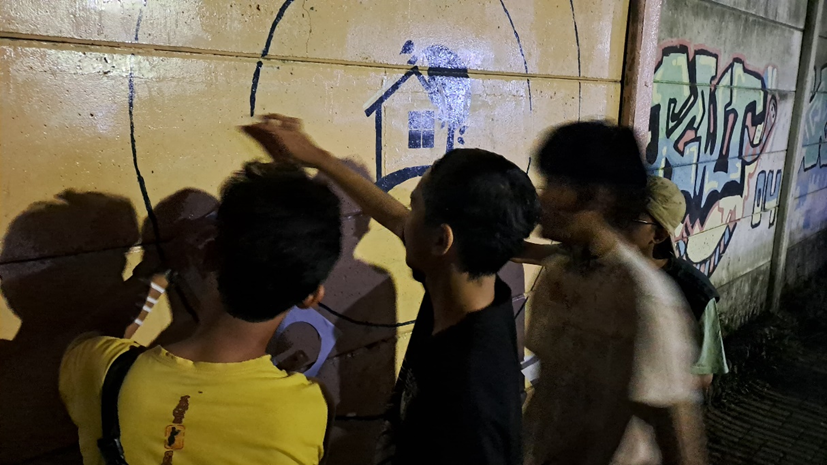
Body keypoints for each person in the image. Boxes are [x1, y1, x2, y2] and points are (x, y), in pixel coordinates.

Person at [242, 114, 539, 465]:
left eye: (414, 207)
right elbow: (400, 221)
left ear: (441, 241)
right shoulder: (474, 289)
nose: (403, 219)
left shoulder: (470, 396)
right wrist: (319, 158)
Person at [59, 162, 341, 465]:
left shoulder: (103, 370)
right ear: (311, 297)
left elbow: (98, 329)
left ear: (207, 255)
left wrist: (153, 274)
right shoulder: (309, 408)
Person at [520, 121, 705, 465]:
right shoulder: (559, 272)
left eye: (556, 184)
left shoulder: (644, 298)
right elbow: (550, 390)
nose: (542, 197)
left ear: (598, 197)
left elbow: (679, 439)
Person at [624, 176, 728, 388]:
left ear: (659, 235)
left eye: (631, 219)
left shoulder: (694, 292)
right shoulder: (596, 266)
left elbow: (704, 373)